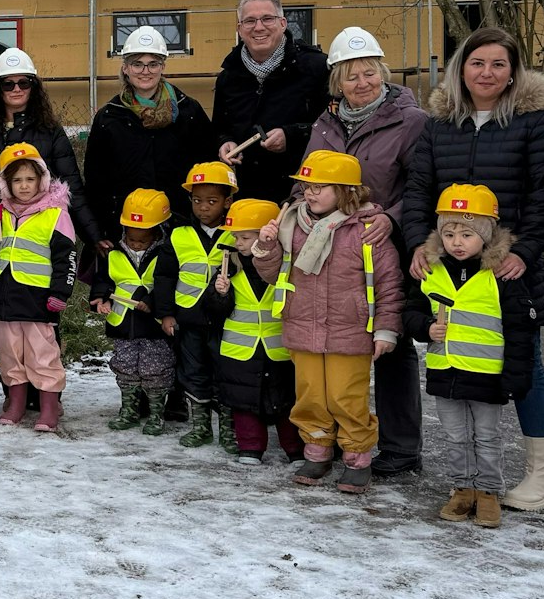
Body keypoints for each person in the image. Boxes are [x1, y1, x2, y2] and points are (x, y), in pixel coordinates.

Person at [400, 27, 544, 501]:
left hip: (509, 266)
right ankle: (468, 476)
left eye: (498, 64)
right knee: (456, 359)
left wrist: (523, 253)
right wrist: (418, 244)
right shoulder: (439, 125)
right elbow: (418, 190)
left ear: (513, 72)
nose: (487, 73)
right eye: (477, 63)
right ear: (461, 69)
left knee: (525, 364)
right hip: (448, 265)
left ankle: (541, 474)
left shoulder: (535, 123)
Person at [303, 27, 429, 481]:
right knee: (333, 346)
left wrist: (392, 218)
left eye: (370, 72)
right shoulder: (326, 123)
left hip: (382, 244)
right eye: (351, 75)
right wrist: (295, 215)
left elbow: (423, 185)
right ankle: (336, 440)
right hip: (331, 251)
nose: (362, 82)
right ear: (337, 81)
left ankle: (401, 447)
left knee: (391, 344)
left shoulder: (411, 121)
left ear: (383, 72)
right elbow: (308, 179)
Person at [255, 150, 402, 495]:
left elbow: (389, 283)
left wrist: (385, 329)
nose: (310, 193)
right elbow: (273, 275)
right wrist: (265, 247)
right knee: (310, 397)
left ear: (347, 190)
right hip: (302, 327)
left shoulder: (367, 230)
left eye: (320, 187)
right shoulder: (292, 225)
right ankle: (317, 452)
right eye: (307, 186)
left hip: (351, 331)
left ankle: (357, 458)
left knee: (346, 398)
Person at [403, 185, 538, 531]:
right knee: (455, 435)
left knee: (487, 436)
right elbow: (412, 311)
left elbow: (520, 330)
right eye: (449, 234)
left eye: (467, 234)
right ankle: (462, 488)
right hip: (445, 371)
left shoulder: (501, 275)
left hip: (487, 374)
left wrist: (517, 376)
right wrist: (425, 327)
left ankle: (489, 491)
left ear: (486, 235)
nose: (457, 242)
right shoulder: (431, 270)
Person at [85, 25, 216, 237]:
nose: (145, 71)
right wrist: (102, 228)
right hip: (127, 226)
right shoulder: (109, 117)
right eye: (137, 64)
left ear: (163, 66)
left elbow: (208, 165)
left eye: (153, 64)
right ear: (125, 68)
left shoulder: (188, 111)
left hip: (181, 223)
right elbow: (96, 180)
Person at [0, 143, 78, 431]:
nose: (24, 186)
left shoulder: (55, 214)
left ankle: (49, 407)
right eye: (17, 180)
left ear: (42, 180)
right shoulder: (4, 213)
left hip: (38, 298)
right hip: (6, 297)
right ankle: (16, 404)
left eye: (30, 179)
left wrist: (60, 293)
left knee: (42, 354)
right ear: (6, 184)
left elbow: (67, 257)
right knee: (10, 354)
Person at [0, 47, 97, 245]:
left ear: (33, 87)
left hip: (37, 234)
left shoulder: (50, 131)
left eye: (23, 83)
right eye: (8, 84)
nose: (17, 89)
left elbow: (71, 184)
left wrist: (93, 236)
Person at [203, 200, 303, 466]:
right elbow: (214, 311)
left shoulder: (285, 264)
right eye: (236, 237)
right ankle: (250, 448)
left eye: (245, 237)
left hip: (279, 347)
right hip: (239, 350)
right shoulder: (228, 265)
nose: (238, 243)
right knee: (243, 402)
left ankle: (295, 448)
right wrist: (219, 294)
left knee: (286, 401)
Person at [212, 0, 331, 205]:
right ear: (239, 29)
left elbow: (333, 127)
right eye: (250, 21)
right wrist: (225, 142)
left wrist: (292, 136)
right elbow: (220, 127)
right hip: (248, 198)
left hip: (305, 196)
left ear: (283, 23)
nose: (259, 27)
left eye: (267, 18)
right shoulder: (228, 78)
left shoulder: (316, 68)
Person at [163, 161, 240, 447]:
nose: (203, 207)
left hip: (228, 320)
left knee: (226, 373)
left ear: (227, 201)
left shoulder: (238, 233)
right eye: (197, 201)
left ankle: (230, 430)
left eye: (211, 201)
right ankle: (201, 427)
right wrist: (166, 314)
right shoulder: (179, 234)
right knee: (193, 372)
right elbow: (165, 277)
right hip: (190, 319)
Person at [89, 189, 177, 433]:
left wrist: (152, 301)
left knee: (156, 369)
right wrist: (101, 299)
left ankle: (156, 413)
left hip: (153, 325)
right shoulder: (113, 252)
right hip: (123, 323)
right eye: (131, 239)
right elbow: (103, 280)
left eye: (142, 241)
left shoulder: (166, 253)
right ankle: (129, 409)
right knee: (125, 366)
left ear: (157, 233)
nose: (136, 244)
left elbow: (168, 283)